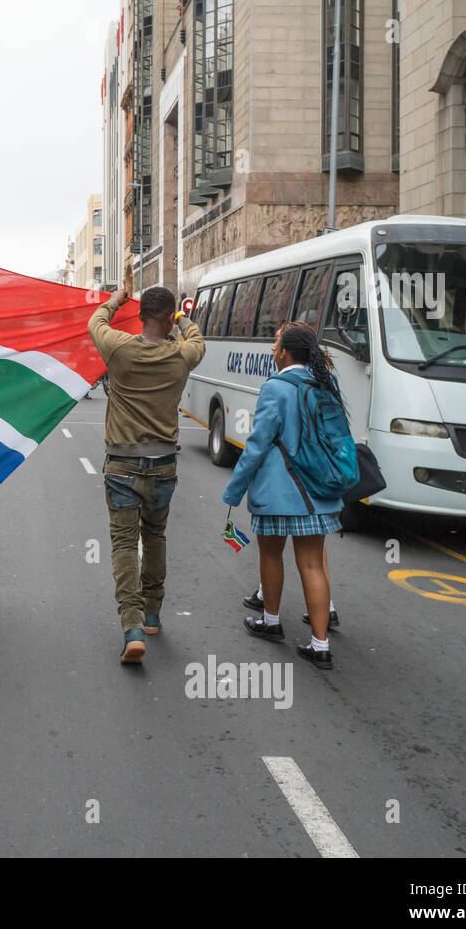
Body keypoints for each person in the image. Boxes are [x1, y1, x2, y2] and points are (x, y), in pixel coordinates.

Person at [89, 285, 205, 665]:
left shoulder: (119, 348)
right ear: (168, 316)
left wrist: (115, 300)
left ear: (141, 316)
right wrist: (179, 317)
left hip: (121, 464)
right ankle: (153, 614)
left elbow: (96, 321)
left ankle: (132, 626)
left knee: (125, 543)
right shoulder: (182, 355)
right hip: (163, 465)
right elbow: (196, 337)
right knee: (154, 535)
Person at [221, 323, 343, 670]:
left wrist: (235, 490)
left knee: (271, 556)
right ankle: (321, 645)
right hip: (317, 491)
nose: (273, 350)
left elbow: (258, 444)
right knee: (313, 564)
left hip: (278, 490)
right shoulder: (326, 383)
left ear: (286, 352)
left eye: (276, 346)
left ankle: (271, 622)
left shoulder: (275, 387)